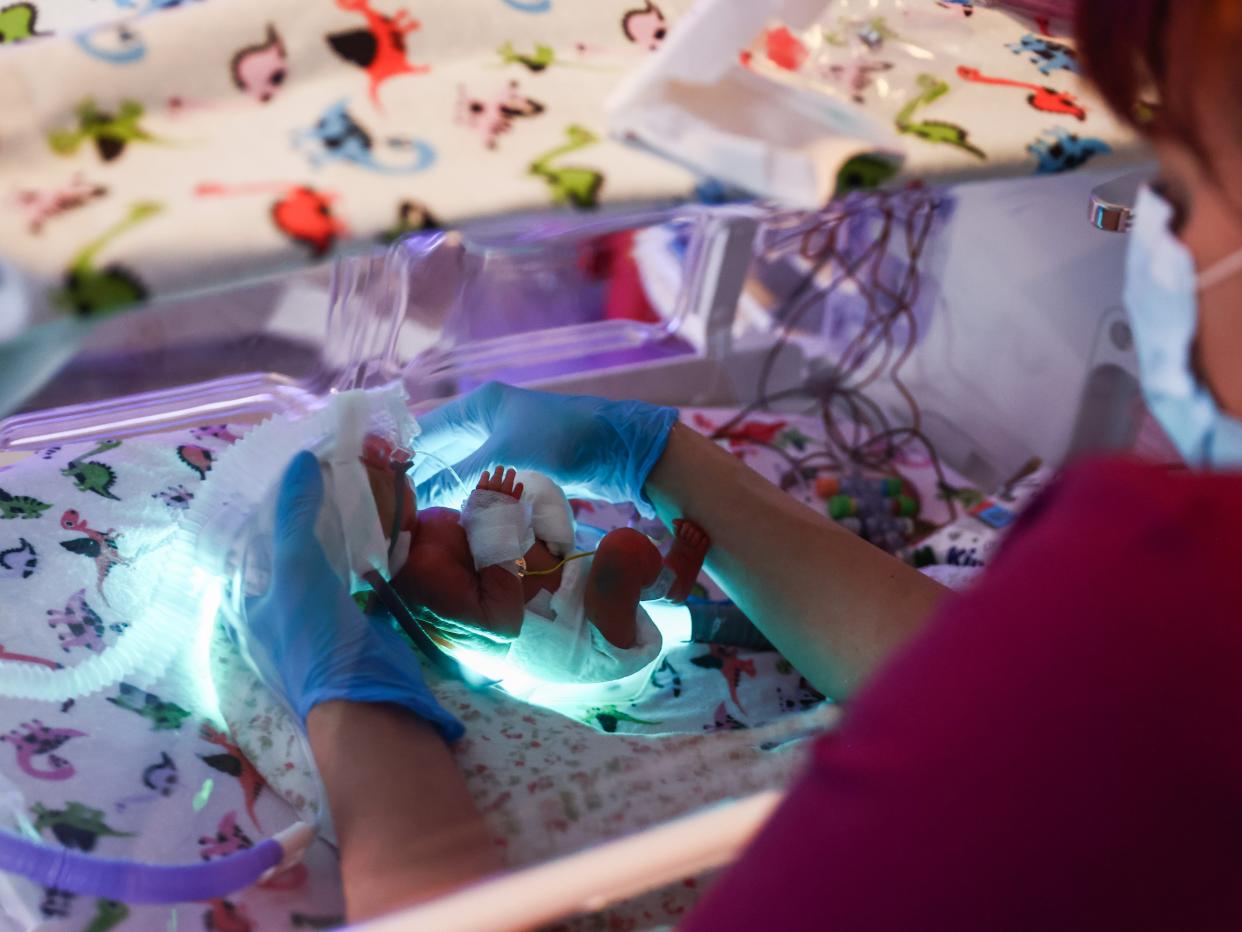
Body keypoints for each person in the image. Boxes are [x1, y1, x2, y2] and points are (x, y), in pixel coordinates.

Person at [248, 0, 1242, 925]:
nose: (1154, 233)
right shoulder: (1158, 582)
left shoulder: (1159, 585)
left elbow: (1062, 709)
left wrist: (367, 736)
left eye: (1182, 190)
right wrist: (664, 457)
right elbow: (1002, 707)